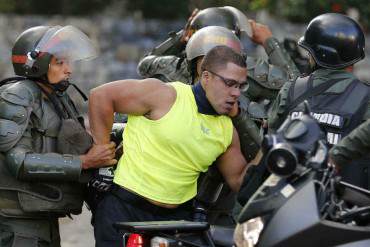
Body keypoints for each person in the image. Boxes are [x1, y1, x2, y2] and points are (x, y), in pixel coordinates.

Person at [89, 46, 256, 247]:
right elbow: (101, 96)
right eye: (229, 83)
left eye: (241, 86)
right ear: (206, 77)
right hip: (125, 210)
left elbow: (239, 180)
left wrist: (270, 147)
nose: (236, 93)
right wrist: (101, 148)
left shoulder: (227, 130)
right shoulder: (165, 95)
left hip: (177, 221)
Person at [0, 25, 116, 246]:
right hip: (18, 220)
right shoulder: (17, 96)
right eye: (60, 62)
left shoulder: (56, 97)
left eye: (68, 62)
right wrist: (84, 162)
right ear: (36, 64)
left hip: (42, 213)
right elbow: (20, 162)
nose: (69, 69)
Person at [268, 13, 370, 189]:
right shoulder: (366, 96)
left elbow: (269, 141)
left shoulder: (291, 89)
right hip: (347, 209)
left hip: (287, 201)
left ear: (317, 54)